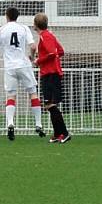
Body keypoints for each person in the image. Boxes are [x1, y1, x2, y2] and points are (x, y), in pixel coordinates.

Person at [0, 7, 44, 141]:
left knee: (11, 95)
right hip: (24, 64)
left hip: (10, 67)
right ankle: (38, 124)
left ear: (6, 16)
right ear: (17, 16)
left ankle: (10, 122)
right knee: (33, 92)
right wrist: (32, 57)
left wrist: (1, 47)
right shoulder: (24, 28)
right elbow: (33, 46)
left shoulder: (1, 30)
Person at [32, 13, 70, 143]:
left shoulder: (44, 37)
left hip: (50, 74)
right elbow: (61, 51)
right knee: (50, 105)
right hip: (53, 73)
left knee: (50, 104)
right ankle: (57, 133)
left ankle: (64, 133)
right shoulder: (50, 35)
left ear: (36, 25)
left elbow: (53, 53)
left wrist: (39, 61)